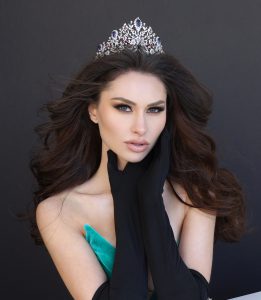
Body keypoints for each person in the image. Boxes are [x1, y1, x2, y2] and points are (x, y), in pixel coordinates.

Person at [28, 17, 246, 299]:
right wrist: (126, 201)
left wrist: (149, 199)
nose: (140, 127)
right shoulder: (59, 211)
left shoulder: (196, 192)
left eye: (154, 110)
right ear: (93, 110)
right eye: (123, 107)